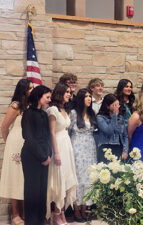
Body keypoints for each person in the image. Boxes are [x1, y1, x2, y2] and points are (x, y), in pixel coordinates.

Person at [0, 79, 33, 225]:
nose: (32, 90)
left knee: (26, 179)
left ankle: (27, 212)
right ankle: (15, 214)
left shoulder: (31, 106)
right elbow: (4, 127)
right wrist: (9, 145)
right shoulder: (15, 106)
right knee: (15, 177)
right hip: (15, 145)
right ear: (23, 90)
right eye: (30, 88)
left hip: (28, 145)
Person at [46, 83, 78, 225]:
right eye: (67, 92)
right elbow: (51, 132)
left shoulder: (65, 109)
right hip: (57, 145)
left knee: (66, 179)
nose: (69, 95)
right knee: (59, 179)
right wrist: (56, 153)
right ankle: (56, 213)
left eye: (70, 93)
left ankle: (62, 212)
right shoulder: (52, 109)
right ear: (59, 93)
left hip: (67, 145)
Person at [21, 85, 52, 225]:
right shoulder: (28, 113)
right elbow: (29, 137)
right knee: (32, 189)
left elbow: (47, 137)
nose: (49, 100)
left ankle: (40, 219)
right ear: (39, 96)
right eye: (47, 97)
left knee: (42, 189)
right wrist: (42, 157)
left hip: (45, 155)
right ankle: (31, 221)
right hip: (31, 156)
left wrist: (48, 154)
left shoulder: (44, 114)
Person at [69, 89, 98, 222]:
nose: (88, 98)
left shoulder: (92, 113)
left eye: (89, 96)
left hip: (90, 147)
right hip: (78, 146)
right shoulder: (74, 113)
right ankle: (76, 209)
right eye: (86, 96)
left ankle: (84, 208)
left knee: (88, 177)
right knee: (79, 176)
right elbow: (68, 131)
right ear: (80, 99)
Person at [96, 94, 128, 162]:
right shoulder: (100, 118)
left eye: (118, 105)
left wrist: (125, 151)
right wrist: (114, 116)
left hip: (118, 147)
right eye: (114, 105)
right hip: (106, 148)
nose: (117, 107)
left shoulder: (120, 118)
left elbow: (125, 136)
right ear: (107, 106)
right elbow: (109, 131)